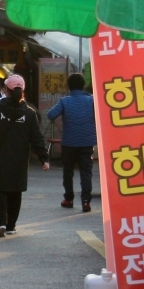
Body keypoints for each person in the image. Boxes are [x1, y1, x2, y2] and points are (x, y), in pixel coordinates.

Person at [0, 74, 50, 237]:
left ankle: (1, 222)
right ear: (23, 91)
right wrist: (44, 157)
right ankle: (11, 226)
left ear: (5, 90)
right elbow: (37, 138)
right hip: (19, 160)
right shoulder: (30, 113)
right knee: (15, 192)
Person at [47, 72, 97, 212]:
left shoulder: (65, 101)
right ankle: (86, 201)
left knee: (68, 171)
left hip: (69, 142)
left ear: (69, 86)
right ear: (83, 85)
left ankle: (68, 199)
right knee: (86, 172)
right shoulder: (91, 100)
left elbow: (51, 114)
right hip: (87, 141)